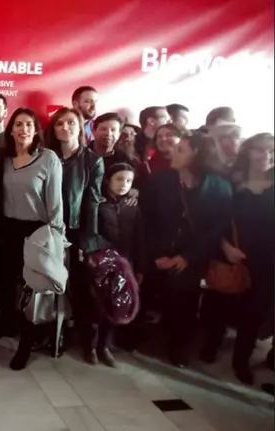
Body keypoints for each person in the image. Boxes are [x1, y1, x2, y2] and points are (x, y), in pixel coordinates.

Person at [140, 131, 232, 367]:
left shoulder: (219, 187)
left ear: (197, 155)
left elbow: (215, 228)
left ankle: (178, 347)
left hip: (191, 257)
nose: (174, 152)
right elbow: (147, 220)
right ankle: (136, 337)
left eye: (181, 149)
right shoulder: (160, 180)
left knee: (184, 300)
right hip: (158, 251)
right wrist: (157, 253)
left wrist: (187, 257)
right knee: (144, 287)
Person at [201, 133, 274, 384]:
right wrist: (225, 247)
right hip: (231, 253)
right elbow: (214, 220)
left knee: (253, 314)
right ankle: (212, 344)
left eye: (271, 152)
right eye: (260, 150)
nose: (266, 156)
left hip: (267, 260)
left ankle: (241, 361)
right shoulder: (231, 182)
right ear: (249, 152)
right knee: (221, 304)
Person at [0, 108, 64, 369]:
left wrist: (56, 238)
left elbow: (55, 204)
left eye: (29, 125)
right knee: (6, 284)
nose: (23, 129)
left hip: (37, 231)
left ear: (36, 130)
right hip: (9, 229)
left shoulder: (48, 159)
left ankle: (26, 343)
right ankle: (7, 324)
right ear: (11, 129)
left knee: (31, 290)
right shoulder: (5, 159)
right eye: (18, 124)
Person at [45, 107, 104, 359]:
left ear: (81, 128)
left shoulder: (92, 160)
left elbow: (92, 202)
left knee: (81, 287)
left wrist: (87, 240)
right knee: (50, 284)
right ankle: (52, 334)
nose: (65, 127)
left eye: (71, 123)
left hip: (78, 231)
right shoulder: (46, 156)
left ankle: (89, 341)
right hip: (47, 230)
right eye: (60, 124)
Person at [93, 163, 146, 367]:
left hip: (125, 264)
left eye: (128, 181)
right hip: (102, 263)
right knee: (96, 305)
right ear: (109, 180)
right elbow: (93, 233)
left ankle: (104, 345)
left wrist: (139, 267)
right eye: (119, 179)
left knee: (116, 304)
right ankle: (91, 344)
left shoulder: (132, 207)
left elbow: (140, 238)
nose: (123, 184)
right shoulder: (99, 204)